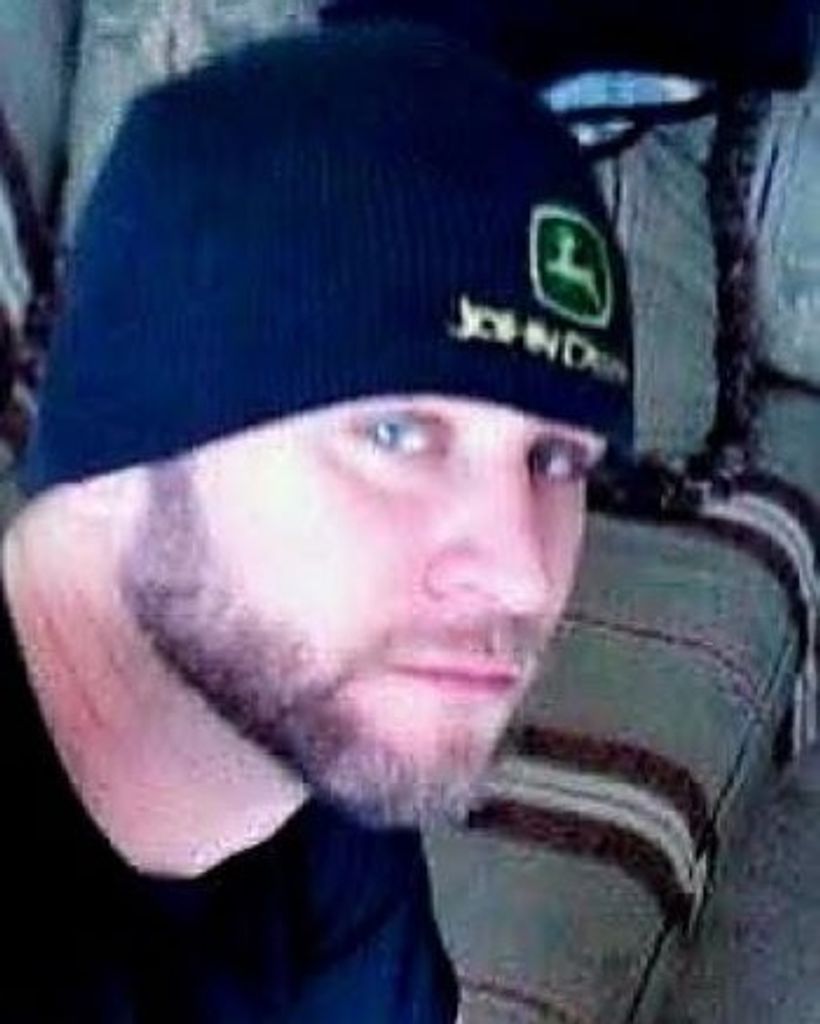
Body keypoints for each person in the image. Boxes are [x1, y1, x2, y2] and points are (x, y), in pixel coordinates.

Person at [0, 20, 633, 1023]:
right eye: (395, 432)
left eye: (556, 460)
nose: (521, 572)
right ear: (121, 440)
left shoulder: (314, 753)